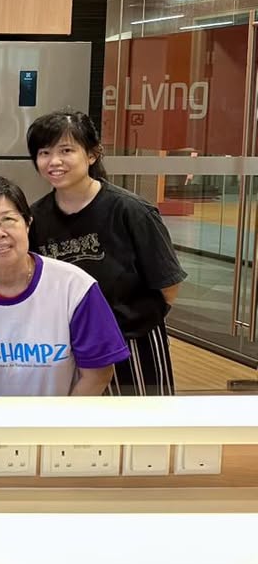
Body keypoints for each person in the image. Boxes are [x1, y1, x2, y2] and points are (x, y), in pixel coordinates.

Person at [27, 110, 186, 396]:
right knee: (78, 435)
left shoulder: (131, 211)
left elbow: (169, 285)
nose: (54, 161)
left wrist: (132, 322)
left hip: (133, 344)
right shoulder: (35, 217)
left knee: (141, 431)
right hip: (69, 347)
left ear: (92, 154)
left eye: (66, 150)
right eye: (44, 152)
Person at [0, 176, 128, 396]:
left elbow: (98, 374)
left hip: (60, 423)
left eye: (8, 220)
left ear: (28, 223)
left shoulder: (74, 286)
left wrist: (58, 428)